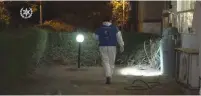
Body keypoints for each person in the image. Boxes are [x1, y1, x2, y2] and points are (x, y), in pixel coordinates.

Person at [93, 16, 124, 84]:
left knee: (105, 61)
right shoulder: (115, 28)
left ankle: (108, 75)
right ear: (110, 20)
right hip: (112, 46)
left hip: (102, 46)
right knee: (111, 62)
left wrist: (101, 39)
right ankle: (109, 76)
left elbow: (95, 37)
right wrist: (122, 45)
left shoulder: (99, 28)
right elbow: (119, 37)